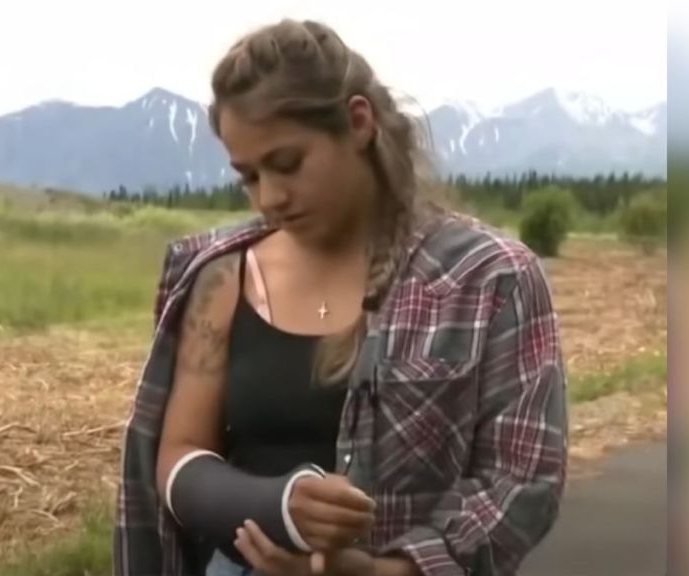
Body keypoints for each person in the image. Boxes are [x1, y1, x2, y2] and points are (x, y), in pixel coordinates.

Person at [113, 18, 568, 576]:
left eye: (287, 164)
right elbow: (177, 458)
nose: (270, 197)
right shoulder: (220, 277)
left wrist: (381, 572)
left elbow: (522, 479)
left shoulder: (490, 277)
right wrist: (279, 504)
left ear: (358, 123)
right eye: (249, 177)